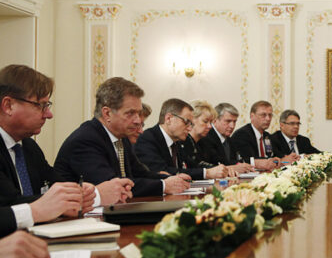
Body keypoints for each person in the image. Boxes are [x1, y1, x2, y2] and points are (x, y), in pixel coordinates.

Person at [0, 65, 132, 232]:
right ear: (8, 105)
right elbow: (10, 204)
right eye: (41, 105)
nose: (49, 114)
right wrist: (95, 195)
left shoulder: (28, 146)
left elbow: (58, 183)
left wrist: (85, 192)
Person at [55, 77, 190, 197]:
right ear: (107, 113)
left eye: (138, 113)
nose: (137, 121)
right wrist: (164, 185)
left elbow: (140, 173)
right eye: (130, 113)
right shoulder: (86, 140)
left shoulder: (121, 137)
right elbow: (114, 186)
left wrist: (172, 179)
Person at [135, 99, 228, 180]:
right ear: (168, 119)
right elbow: (161, 171)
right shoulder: (147, 138)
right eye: (187, 122)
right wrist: (206, 173)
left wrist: (218, 170)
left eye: (191, 124)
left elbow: (192, 166)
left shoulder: (176, 142)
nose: (189, 128)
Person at [196, 102, 253, 174]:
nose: (232, 126)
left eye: (234, 122)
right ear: (215, 120)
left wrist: (240, 165)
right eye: (228, 121)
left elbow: (233, 160)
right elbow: (213, 164)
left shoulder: (229, 140)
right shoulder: (206, 137)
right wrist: (233, 167)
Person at [231, 100, 286, 170]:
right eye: (263, 115)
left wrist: (281, 158)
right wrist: (269, 160)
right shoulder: (242, 134)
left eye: (270, 115)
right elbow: (248, 160)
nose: (268, 119)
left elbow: (274, 155)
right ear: (252, 116)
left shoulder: (267, 136)